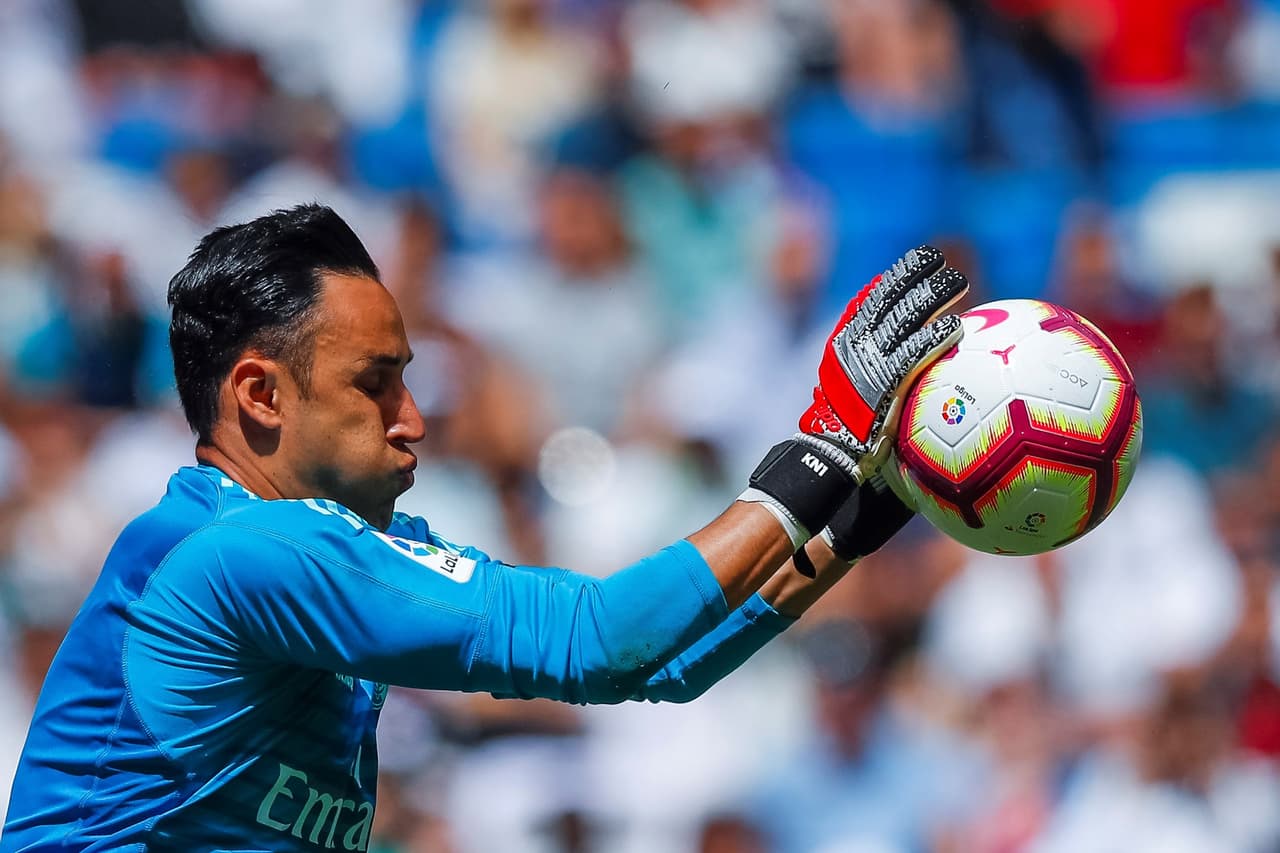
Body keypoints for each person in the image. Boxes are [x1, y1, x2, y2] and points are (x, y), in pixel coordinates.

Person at [0, 204, 966, 851]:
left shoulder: (324, 546)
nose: (413, 418)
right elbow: (606, 640)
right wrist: (829, 440)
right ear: (259, 394)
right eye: (374, 384)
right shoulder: (240, 553)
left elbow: (663, 664)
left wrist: (866, 510)